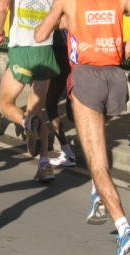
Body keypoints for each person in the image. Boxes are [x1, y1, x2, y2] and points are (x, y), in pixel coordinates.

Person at [35, 0, 130, 255]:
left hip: (86, 76)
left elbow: (40, 35)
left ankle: (125, 231)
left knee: (97, 161)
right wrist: (127, 45)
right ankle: (97, 193)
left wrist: (58, 17)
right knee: (98, 144)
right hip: (115, 77)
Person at [0, 0, 60, 183]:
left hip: (21, 51)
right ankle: (45, 164)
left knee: (5, 104)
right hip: (44, 51)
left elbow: (1, 8)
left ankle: (25, 122)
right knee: (37, 113)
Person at [46, 30, 76, 167]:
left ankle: (67, 152)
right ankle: (92, 151)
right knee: (73, 111)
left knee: (51, 104)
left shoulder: (55, 12)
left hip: (59, 55)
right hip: (76, 58)